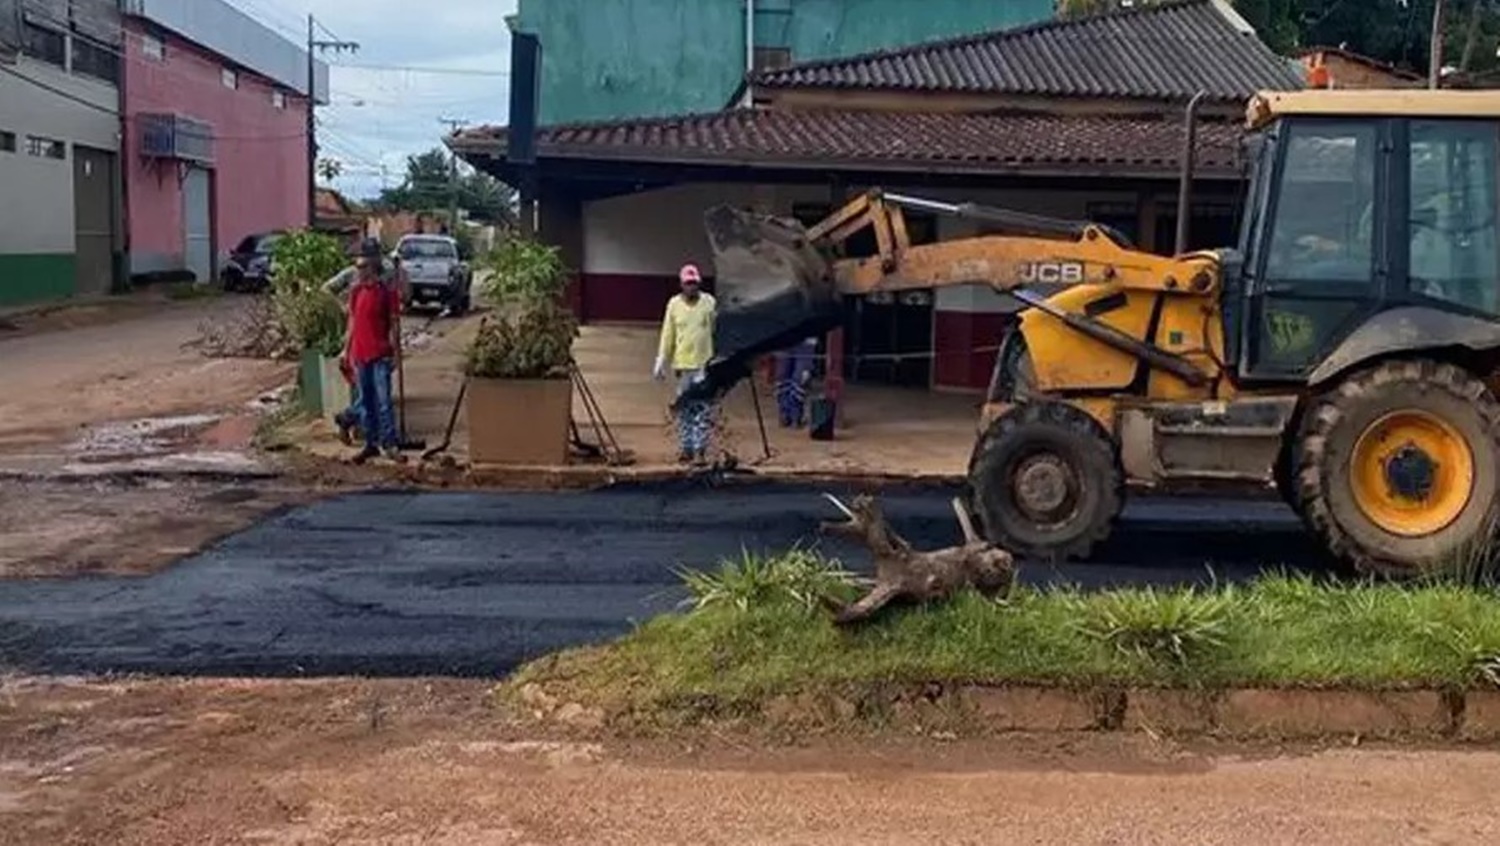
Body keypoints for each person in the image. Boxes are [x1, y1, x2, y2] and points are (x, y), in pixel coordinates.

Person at [326, 242, 407, 445]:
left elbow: (400, 301)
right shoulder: (353, 281)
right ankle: (356, 423)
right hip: (360, 346)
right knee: (368, 397)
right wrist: (345, 310)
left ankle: (358, 424)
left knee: (379, 399)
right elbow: (329, 292)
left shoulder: (388, 275)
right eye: (362, 261)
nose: (361, 267)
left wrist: (396, 350)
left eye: (368, 260)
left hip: (379, 345)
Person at [653, 263, 718, 465]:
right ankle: (686, 448)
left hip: (703, 365)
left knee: (702, 408)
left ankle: (700, 450)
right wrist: (661, 359)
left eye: (695, 283)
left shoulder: (709, 303)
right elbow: (668, 334)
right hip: (682, 365)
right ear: (681, 284)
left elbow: (716, 330)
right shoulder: (674, 305)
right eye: (688, 284)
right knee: (684, 409)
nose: (692, 287)